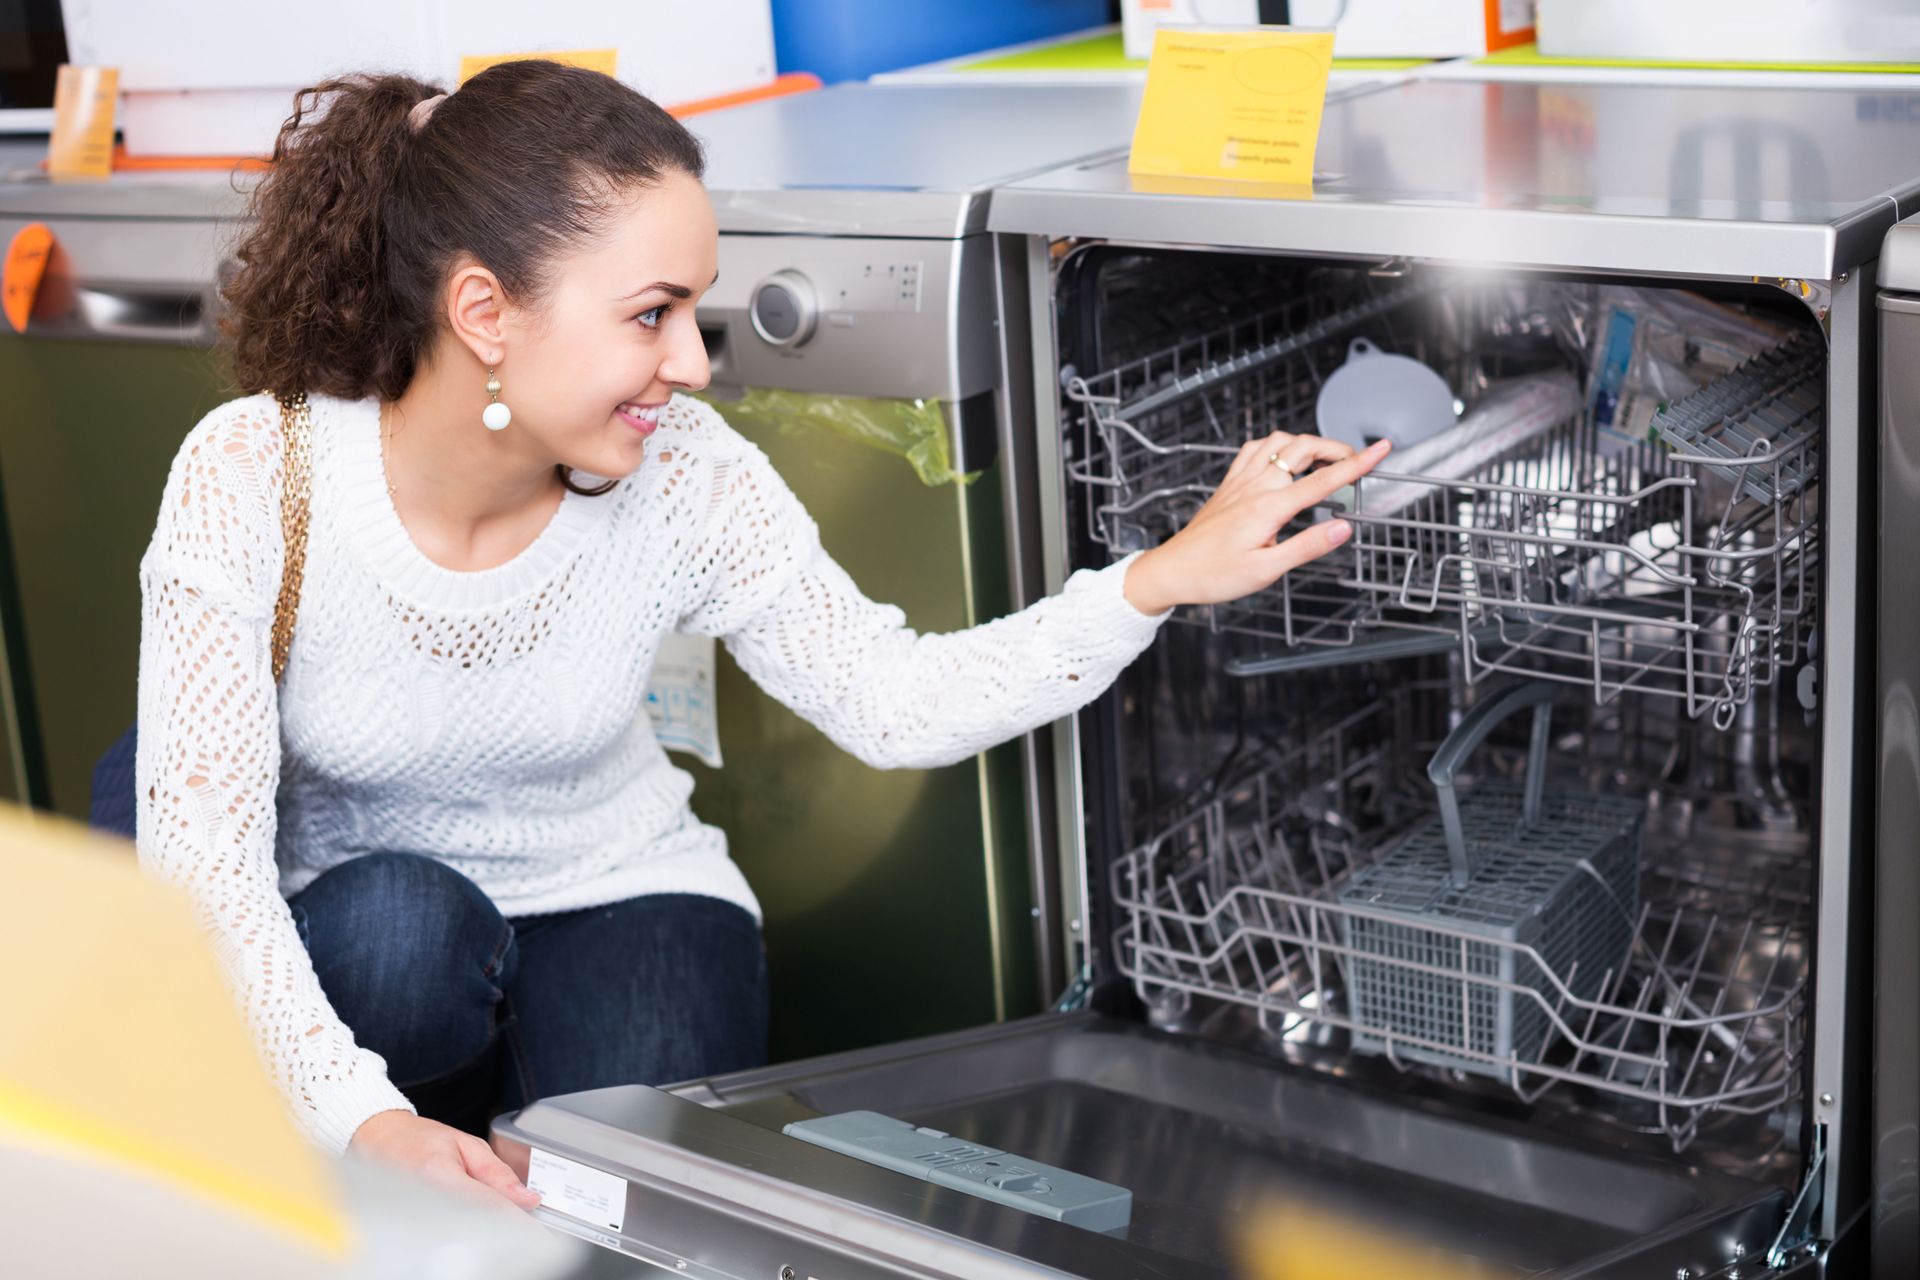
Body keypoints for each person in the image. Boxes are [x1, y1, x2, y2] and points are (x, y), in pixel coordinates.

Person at [133, 61, 1388, 1211]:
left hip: (621, 894)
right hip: (368, 928)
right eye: (652, 313)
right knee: (400, 934)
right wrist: (366, 1119)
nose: (693, 363)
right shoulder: (257, 473)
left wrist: (1156, 579)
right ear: (483, 311)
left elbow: (894, 698)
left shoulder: (683, 475)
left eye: (697, 310)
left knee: (633, 1218)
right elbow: (205, 867)